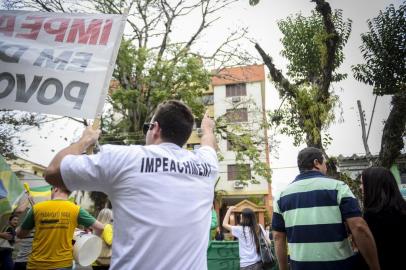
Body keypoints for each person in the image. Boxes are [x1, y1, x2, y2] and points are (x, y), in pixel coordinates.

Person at [45, 100, 218, 269]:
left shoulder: (124, 159)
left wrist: (85, 139)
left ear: (155, 128)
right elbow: (208, 143)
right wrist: (208, 128)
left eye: (147, 127)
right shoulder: (207, 166)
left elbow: (53, 172)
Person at [272, 147, 380, 270]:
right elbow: (359, 227)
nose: (326, 167)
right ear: (316, 163)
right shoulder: (339, 187)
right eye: (325, 163)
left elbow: (278, 237)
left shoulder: (281, 196)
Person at [16, 186, 104, 270]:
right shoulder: (76, 209)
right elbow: (100, 227)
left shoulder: (37, 208)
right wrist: (93, 244)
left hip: (38, 264)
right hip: (63, 264)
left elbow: (20, 234)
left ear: (55, 189)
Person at [360, 167, 406, 270]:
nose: (360, 187)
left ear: (374, 186)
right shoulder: (402, 209)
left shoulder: (371, 216)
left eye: (363, 183)